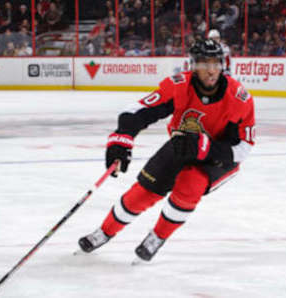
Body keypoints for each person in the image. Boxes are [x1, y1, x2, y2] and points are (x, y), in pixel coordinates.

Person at [78, 38, 256, 262]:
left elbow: (243, 148)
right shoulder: (180, 85)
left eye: (215, 63)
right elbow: (139, 110)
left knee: (189, 185)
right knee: (142, 193)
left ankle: (158, 236)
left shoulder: (239, 99)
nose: (211, 71)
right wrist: (122, 138)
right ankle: (104, 232)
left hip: (217, 159)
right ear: (193, 65)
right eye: (203, 64)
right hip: (181, 145)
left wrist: (206, 147)